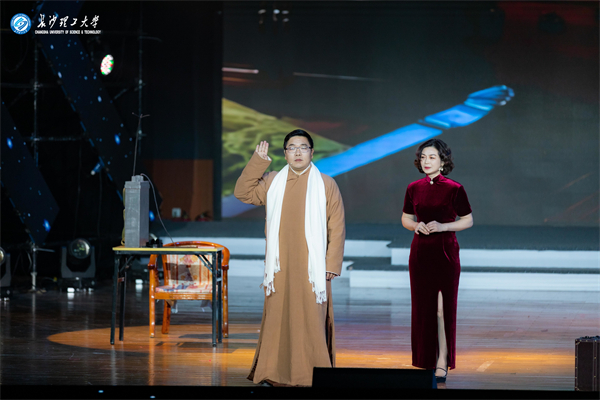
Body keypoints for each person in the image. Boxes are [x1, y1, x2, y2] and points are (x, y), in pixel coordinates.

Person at [234, 129, 346, 387]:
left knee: (311, 319)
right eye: (292, 147)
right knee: (278, 319)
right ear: (285, 154)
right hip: (280, 266)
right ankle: (273, 373)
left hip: (313, 267)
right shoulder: (273, 181)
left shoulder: (326, 183)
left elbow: (337, 226)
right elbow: (243, 192)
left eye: (303, 147)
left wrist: (331, 264)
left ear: (312, 152)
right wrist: (258, 162)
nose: (297, 152)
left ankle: (312, 375)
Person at [401, 138, 473, 383]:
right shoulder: (413, 188)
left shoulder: (454, 188)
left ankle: (442, 359)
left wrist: (443, 226)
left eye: (432, 157)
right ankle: (425, 360)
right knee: (423, 308)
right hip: (420, 253)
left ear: (442, 161)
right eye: (423, 157)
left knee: (442, 309)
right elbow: (406, 218)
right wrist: (415, 225)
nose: (426, 161)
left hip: (445, 253)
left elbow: (467, 220)